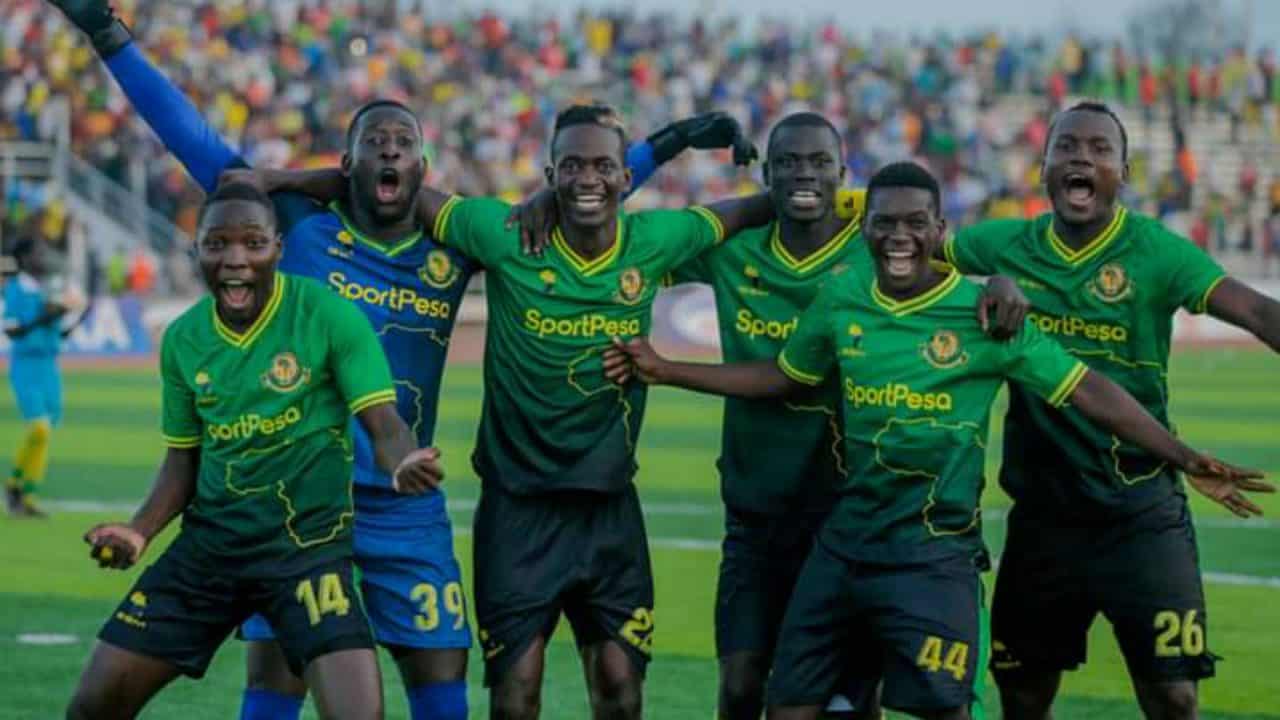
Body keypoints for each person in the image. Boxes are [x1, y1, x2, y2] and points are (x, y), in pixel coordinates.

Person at [49, 2, 755, 717]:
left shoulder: (452, 243)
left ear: (422, 167)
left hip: (404, 501)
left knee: (440, 669)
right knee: (277, 675)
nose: (389, 152)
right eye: (373, 143)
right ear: (348, 163)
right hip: (298, 503)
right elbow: (192, 140)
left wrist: (659, 148)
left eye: (403, 143)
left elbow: (586, 194)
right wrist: (109, 36)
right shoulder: (296, 224)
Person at [601, 161, 1265, 720]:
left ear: (941, 231)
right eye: (884, 223)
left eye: (916, 223)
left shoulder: (988, 320)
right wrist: (667, 369)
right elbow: (783, 375)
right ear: (863, 228)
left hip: (934, 556)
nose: (899, 236)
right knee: (788, 708)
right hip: (846, 546)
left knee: (946, 710)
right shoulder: (842, 298)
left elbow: (1088, 389)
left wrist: (1182, 457)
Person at [255, 102, 774, 720]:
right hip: (516, 508)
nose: (588, 178)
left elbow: (747, 209)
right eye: (569, 168)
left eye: (603, 168)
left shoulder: (654, 239)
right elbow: (384, 184)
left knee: (621, 690)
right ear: (550, 175)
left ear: (623, 178)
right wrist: (283, 180)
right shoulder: (502, 232)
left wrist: (687, 144)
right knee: (515, 695)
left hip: (609, 506)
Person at [658, 111, 1022, 720]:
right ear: (767, 173)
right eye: (787, 163)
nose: (804, 173)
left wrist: (999, 278)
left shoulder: (874, 246)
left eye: (819, 163)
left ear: (842, 173)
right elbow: (635, 241)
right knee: (742, 684)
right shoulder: (732, 252)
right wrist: (741, 198)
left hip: (844, 514)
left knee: (849, 700)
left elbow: (948, 254)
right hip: (756, 509)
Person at [939, 101, 1280, 720]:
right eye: (1067, 147)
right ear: (1044, 167)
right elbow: (908, 249)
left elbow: (1257, 311)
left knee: (1174, 696)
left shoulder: (1157, 251)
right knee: (1023, 694)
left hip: (1141, 510)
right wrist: (983, 284)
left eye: (1100, 150)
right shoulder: (1001, 244)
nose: (1082, 158)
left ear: (1123, 173)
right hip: (1043, 515)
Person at [64, 181, 445, 720]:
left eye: (253, 243)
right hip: (210, 551)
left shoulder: (327, 315)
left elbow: (383, 424)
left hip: (308, 553)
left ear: (278, 249)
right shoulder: (183, 339)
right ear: (197, 251)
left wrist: (402, 460)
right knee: (91, 708)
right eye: (217, 244)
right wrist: (140, 530)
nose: (235, 259)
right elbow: (183, 459)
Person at [3, 236, 82, 516]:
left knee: (43, 433)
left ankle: (20, 490)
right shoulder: (15, 289)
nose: (43, 257)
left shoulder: (50, 286)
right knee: (39, 428)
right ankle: (19, 491)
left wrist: (75, 318)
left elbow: (58, 332)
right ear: (24, 258)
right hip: (26, 365)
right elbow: (11, 330)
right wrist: (45, 317)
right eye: (37, 252)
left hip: (50, 366)